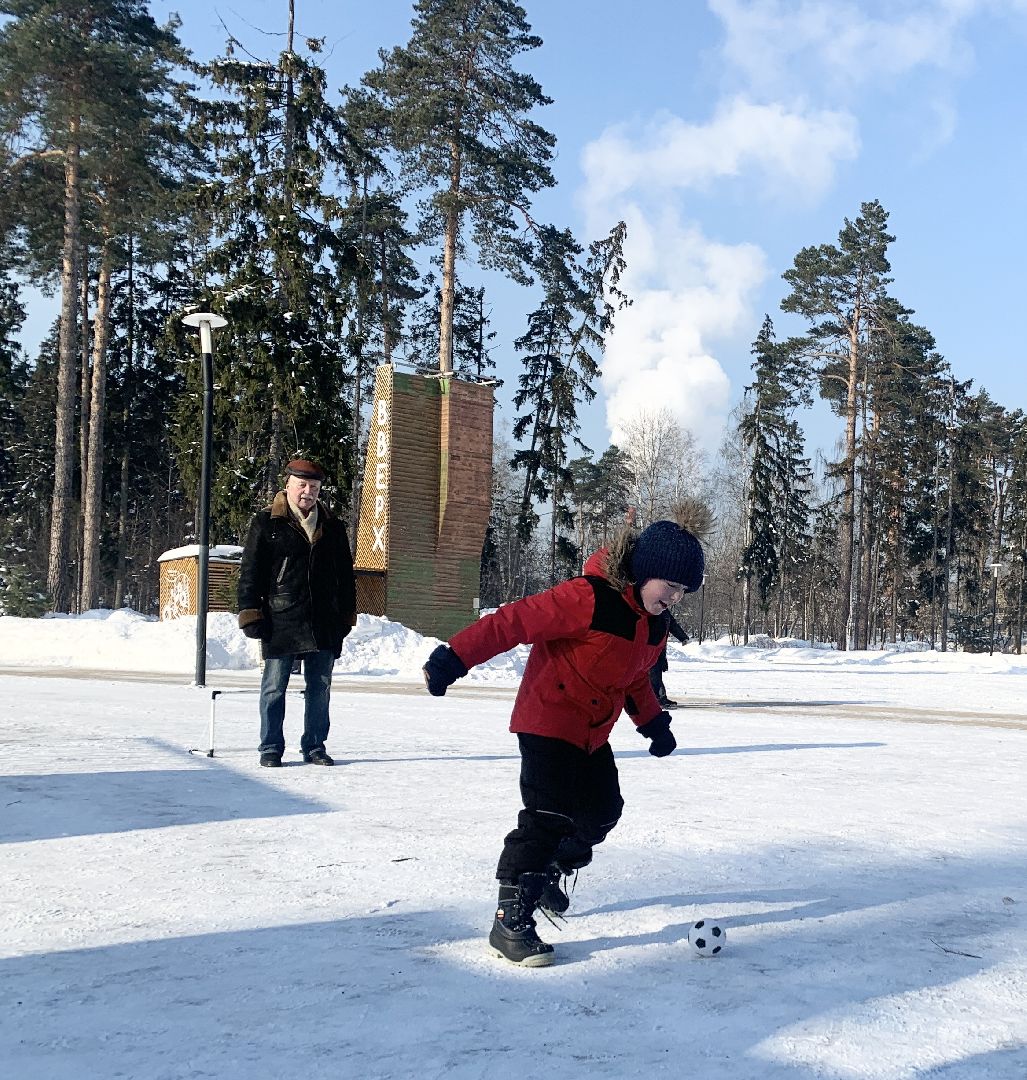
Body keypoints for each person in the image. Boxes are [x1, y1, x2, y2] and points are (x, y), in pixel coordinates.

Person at [422, 519, 705, 967]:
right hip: (548, 719)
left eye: (684, 590)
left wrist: (654, 724)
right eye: (669, 585)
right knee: (546, 817)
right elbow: (512, 623)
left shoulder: (654, 627)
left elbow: (634, 680)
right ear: (643, 570)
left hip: (593, 731)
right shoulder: (587, 597)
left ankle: (550, 870)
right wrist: (454, 657)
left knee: (602, 811)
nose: (674, 598)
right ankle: (509, 921)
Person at [237, 458, 356, 768]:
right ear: (287, 485)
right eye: (302, 485)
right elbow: (250, 572)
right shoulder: (266, 523)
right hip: (281, 616)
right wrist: (250, 612)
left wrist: (346, 614)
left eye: (313, 487)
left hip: (323, 619)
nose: (307, 492)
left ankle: (315, 746)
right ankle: (271, 747)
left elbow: (345, 575)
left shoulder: (332, 526)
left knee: (321, 686)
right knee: (275, 686)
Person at [649, 613, 688, 708]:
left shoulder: (664, 612)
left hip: (659, 649)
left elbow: (672, 624)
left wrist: (682, 637)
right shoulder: (647, 607)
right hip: (647, 649)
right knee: (653, 674)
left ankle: (657, 698)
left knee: (655, 673)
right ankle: (659, 699)